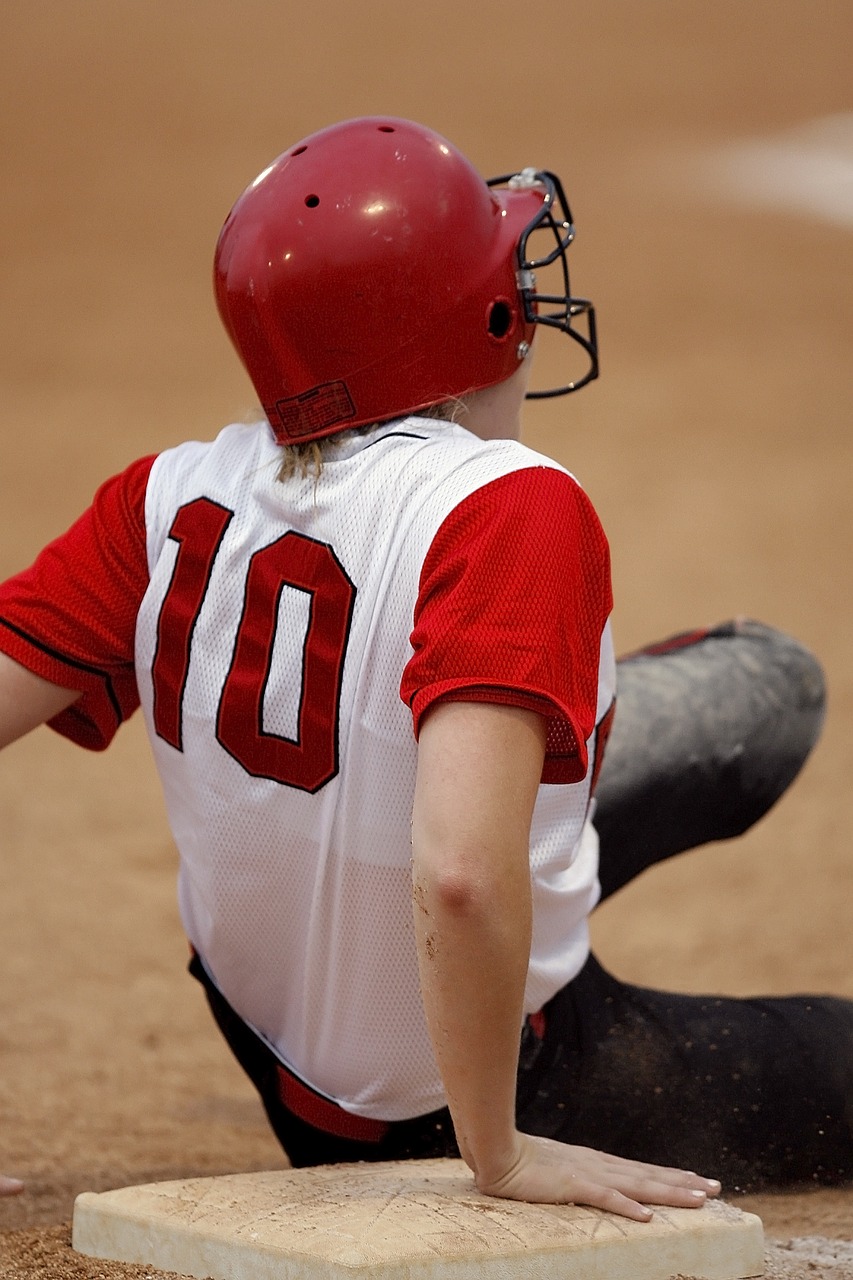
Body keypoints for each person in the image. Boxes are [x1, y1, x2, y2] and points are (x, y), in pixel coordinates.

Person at [0, 117, 850, 1217]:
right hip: (449, 1095)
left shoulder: (160, 496)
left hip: (265, 1014)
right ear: (480, 319)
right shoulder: (511, 505)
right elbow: (457, 873)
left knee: (766, 687)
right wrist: (496, 1152)